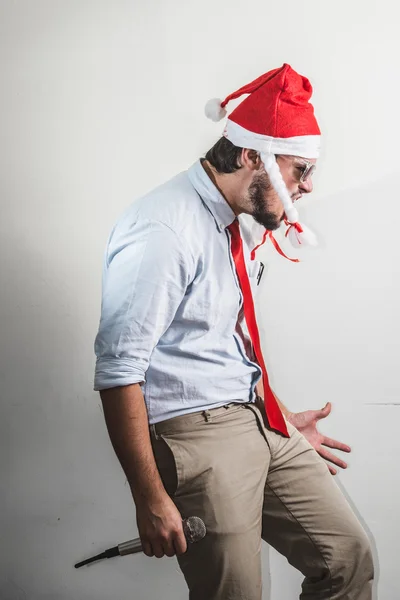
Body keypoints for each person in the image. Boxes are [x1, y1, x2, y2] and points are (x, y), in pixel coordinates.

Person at [94, 64, 374, 599]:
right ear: (252, 157)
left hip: (261, 418)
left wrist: (280, 416)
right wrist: (148, 498)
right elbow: (119, 371)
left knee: (347, 557)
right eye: (300, 169)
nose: (307, 187)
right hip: (198, 434)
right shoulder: (164, 229)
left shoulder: (235, 217)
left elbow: (223, 338)